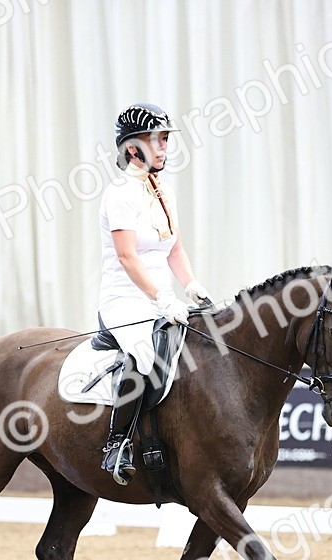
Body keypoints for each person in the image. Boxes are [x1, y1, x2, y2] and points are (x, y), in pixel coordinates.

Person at [97, 102, 211, 485]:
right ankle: (116, 445)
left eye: (164, 139)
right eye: (155, 139)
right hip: (125, 300)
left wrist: (192, 286)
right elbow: (128, 257)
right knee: (145, 355)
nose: (163, 147)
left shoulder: (163, 191)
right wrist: (161, 299)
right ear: (132, 148)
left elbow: (174, 248)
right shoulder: (120, 195)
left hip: (165, 297)